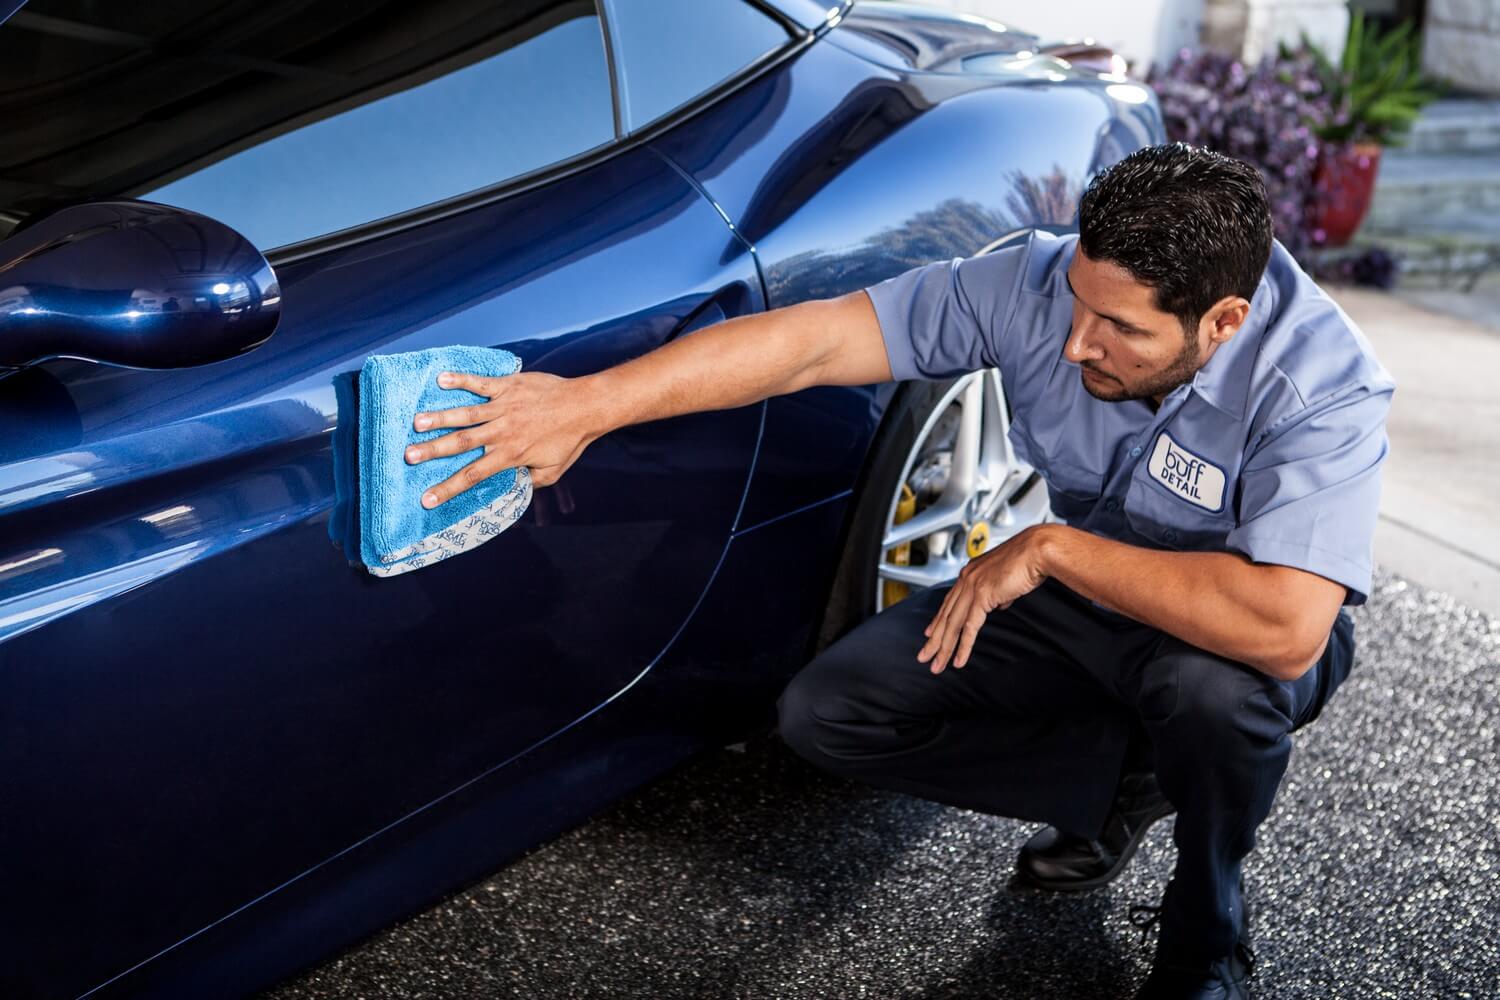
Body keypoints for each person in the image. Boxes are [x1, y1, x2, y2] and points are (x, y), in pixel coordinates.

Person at [401, 142, 1393, 999]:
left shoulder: (1319, 383)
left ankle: (1207, 917)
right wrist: (590, 405)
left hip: (1218, 627)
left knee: (1209, 694)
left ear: (1219, 323)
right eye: (1080, 302)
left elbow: (1285, 626)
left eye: (1121, 330)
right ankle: (1123, 783)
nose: (1075, 339)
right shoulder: (1039, 287)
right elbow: (816, 341)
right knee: (829, 711)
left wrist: (1049, 546)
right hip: (1086, 603)